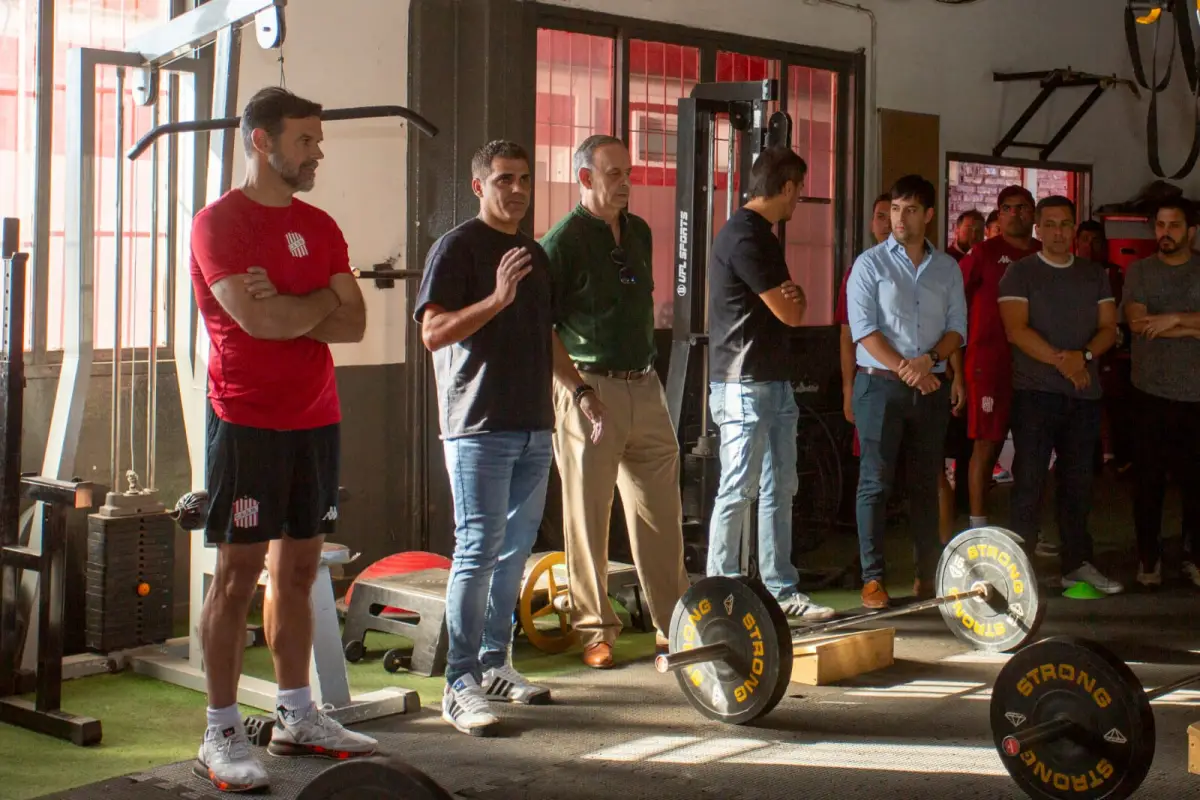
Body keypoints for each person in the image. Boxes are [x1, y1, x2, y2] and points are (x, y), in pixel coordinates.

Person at [188, 86, 378, 792]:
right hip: (246, 421)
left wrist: (304, 303)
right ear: (261, 142)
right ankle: (222, 728)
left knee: (300, 572)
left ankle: (298, 716)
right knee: (237, 578)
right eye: (305, 141)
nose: (317, 152)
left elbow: (353, 324)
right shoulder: (218, 226)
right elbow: (257, 325)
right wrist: (321, 302)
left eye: (317, 141)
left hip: (316, 417)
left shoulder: (320, 226)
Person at [414, 140, 607, 735]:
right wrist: (496, 298)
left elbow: (546, 333)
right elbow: (433, 332)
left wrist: (578, 390)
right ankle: (459, 682)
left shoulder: (533, 253)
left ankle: (497, 663)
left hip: (532, 427)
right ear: (480, 186)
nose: (517, 189)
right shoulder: (457, 249)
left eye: (524, 179)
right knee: (475, 551)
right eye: (504, 180)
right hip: (477, 427)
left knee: (513, 554)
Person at [539, 135, 690, 669]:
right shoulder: (560, 243)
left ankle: (675, 625)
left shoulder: (641, 233)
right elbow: (543, 328)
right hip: (589, 389)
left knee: (661, 515)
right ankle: (594, 630)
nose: (626, 183)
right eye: (614, 174)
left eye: (629, 173)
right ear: (584, 179)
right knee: (587, 516)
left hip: (644, 385)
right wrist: (576, 390)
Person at [705, 146, 835, 622]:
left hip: (771, 380)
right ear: (785, 187)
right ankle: (721, 589)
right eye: (799, 189)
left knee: (781, 484)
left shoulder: (760, 235)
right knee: (738, 487)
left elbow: (790, 307)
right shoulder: (746, 237)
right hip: (744, 382)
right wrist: (792, 297)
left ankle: (781, 589)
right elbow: (791, 311)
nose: (800, 198)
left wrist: (792, 298)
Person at [846, 174, 967, 609]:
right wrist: (908, 368)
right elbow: (863, 331)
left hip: (930, 386)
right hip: (879, 387)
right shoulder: (869, 265)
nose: (900, 218)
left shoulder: (948, 268)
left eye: (910, 210)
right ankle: (873, 580)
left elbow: (958, 329)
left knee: (924, 483)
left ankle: (926, 576)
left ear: (929, 215)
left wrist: (927, 361)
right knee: (874, 483)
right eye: (895, 209)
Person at [997, 195, 1121, 594]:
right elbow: (1016, 330)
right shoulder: (1019, 273)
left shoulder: (1093, 274)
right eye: (1049, 224)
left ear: (1074, 229)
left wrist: (1082, 356)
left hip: (1084, 398)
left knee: (1078, 484)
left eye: (1064, 224)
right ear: (1038, 229)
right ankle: (1018, 572)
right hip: (1035, 395)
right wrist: (1063, 361)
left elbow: (1108, 328)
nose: (1057, 232)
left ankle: (1077, 564)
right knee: (1029, 483)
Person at [1121, 198, 1200, 589]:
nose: (1165, 233)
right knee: (1148, 483)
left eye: (1174, 225)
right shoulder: (1140, 271)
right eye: (1160, 225)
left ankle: (1194, 556)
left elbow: (1155, 323)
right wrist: (1192, 327)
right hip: (1149, 392)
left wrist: (1172, 319)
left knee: (1196, 484)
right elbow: (1138, 323)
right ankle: (1147, 557)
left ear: (1191, 231)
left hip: (1196, 396)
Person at [958, 186, 1041, 534]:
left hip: (1037, 367)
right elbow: (952, 303)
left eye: (1023, 208)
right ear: (999, 214)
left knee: (1034, 452)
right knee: (986, 447)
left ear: (1033, 214)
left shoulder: (1043, 253)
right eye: (1008, 208)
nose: (1016, 214)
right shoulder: (983, 254)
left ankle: (1028, 531)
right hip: (989, 364)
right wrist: (955, 369)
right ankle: (979, 528)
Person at [1077, 219, 1133, 470]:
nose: (1090, 245)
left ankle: (1111, 456)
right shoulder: (1064, 270)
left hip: (1104, 344)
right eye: (1085, 240)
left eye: (1096, 240)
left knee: (1106, 400)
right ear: (1076, 243)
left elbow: (1108, 305)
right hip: (1071, 346)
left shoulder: (1111, 272)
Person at [837, 193, 892, 428]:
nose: (887, 224)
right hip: (872, 379)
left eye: (893, 216)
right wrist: (848, 389)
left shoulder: (930, 269)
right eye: (881, 216)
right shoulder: (860, 270)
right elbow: (847, 335)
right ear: (871, 223)